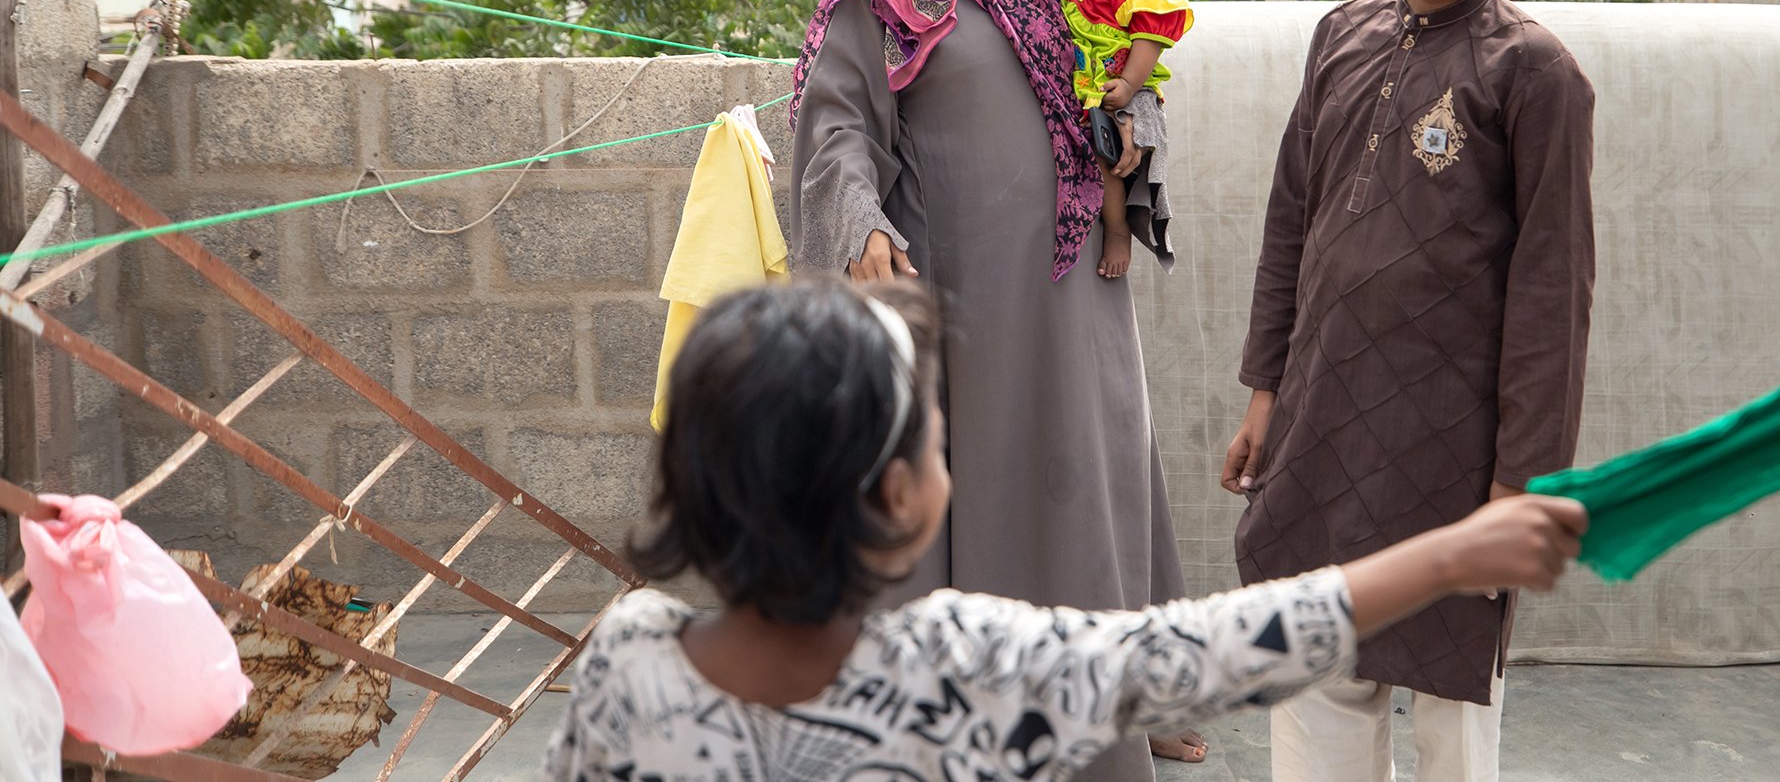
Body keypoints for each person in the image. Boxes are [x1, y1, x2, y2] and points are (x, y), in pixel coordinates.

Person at [541, 279, 1590, 782]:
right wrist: (1459, 551)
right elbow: (1205, 651)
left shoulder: (625, 663)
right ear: (900, 495)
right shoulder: (961, 664)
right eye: (937, 436)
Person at [788, 0, 1196, 774]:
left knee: (1087, 482)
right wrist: (858, 224)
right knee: (989, 497)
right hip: (966, 303)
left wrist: (1135, 124)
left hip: (1075, 288)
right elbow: (835, 121)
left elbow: (1125, 73)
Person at [1222, 0, 1597, 782]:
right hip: (1323, 425)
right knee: (1320, 662)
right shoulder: (1340, 35)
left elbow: (1554, 294)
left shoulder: (1536, 73)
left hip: (1456, 451)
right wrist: (1266, 395)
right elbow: (1290, 223)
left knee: (1452, 708)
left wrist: (1523, 480)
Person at [1056, 0, 1193, 279]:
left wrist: (1130, 84)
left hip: (1125, 90)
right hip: (1088, 87)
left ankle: (1117, 231)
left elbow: (1149, 38)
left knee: (1109, 161)